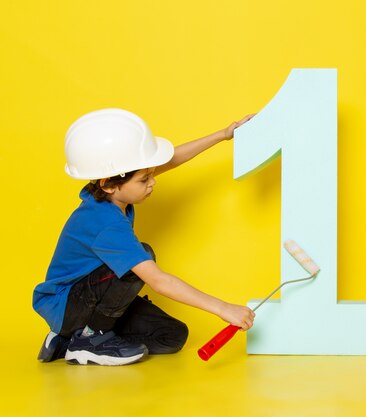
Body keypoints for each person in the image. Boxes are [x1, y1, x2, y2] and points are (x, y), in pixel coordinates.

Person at [32, 108, 255, 366]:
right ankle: (89, 339)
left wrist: (224, 134)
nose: (153, 182)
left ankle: (67, 339)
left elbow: (171, 160)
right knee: (140, 259)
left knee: (172, 336)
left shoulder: (107, 191)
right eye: (145, 179)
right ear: (109, 183)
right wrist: (223, 308)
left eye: (151, 174)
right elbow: (158, 281)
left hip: (91, 298)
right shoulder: (106, 223)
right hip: (67, 303)